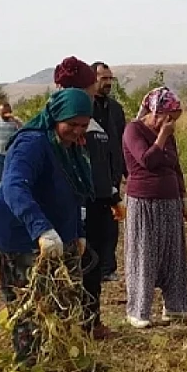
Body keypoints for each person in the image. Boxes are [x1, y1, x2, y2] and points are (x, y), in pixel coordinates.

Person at [0, 88, 94, 363]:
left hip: (61, 234)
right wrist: (42, 230)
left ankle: (61, 362)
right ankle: (30, 366)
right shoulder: (32, 144)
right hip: (24, 236)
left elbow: (76, 190)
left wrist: (78, 232)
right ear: (55, 116)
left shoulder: (70, 147)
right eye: (71, 124)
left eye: (83, 125)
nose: (77, 130)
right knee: (31, 307)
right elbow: (14, 187)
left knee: (65, 302)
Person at [48, 56, 118, 339]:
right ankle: (66, 327)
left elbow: (107, 156)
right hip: (77, 205)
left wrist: (113, 190)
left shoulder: (104, 113)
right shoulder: (64, 122)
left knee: (94, 264)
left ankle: (91, 321)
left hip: (101, 198)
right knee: (71, 267)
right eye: (89, 87)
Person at [122, 86, 187, 328]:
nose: (171, 122)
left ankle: (174, 307)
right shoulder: (134, 130)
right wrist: (162, 136)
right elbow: (148, 160)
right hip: (143, 202)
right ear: (154, 110)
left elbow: (175, 166)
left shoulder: (169, 135)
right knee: (144, 254)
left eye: (173, 118)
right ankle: (138, 311)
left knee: (173, 254)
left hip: (169, 200)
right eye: (168, 116)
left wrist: (183, 199)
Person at [90, 61, 128, 283]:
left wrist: (127, 173)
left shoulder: (115, 109)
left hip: (112, 174)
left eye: (110, 79)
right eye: (103, 78)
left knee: (111, 224)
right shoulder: (85, 107)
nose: (108, 83)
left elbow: (122, 142)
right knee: (91, 225)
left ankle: (108, 268)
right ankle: (92, 267)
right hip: (91, 175)